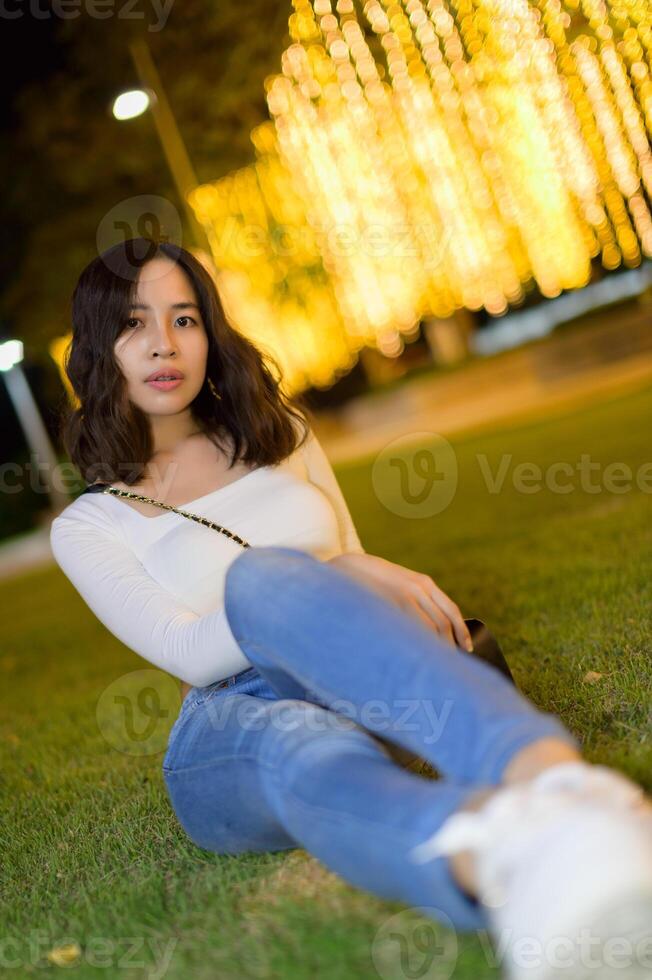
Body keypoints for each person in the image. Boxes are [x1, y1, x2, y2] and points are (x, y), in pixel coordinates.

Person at [50, 238, 652, 980]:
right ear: (99, 345)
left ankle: (560, 784)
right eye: (135, 323)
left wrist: (344, 569)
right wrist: (333, 566)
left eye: (185, 319)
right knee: (284, 682)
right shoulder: (91, 525)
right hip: (224, 725)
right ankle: (498, 858)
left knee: (271, 587)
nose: (164, 344)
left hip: (346, 670)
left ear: (210, 334)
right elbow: (193, 654)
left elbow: (354, 596)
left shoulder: (278, 433)